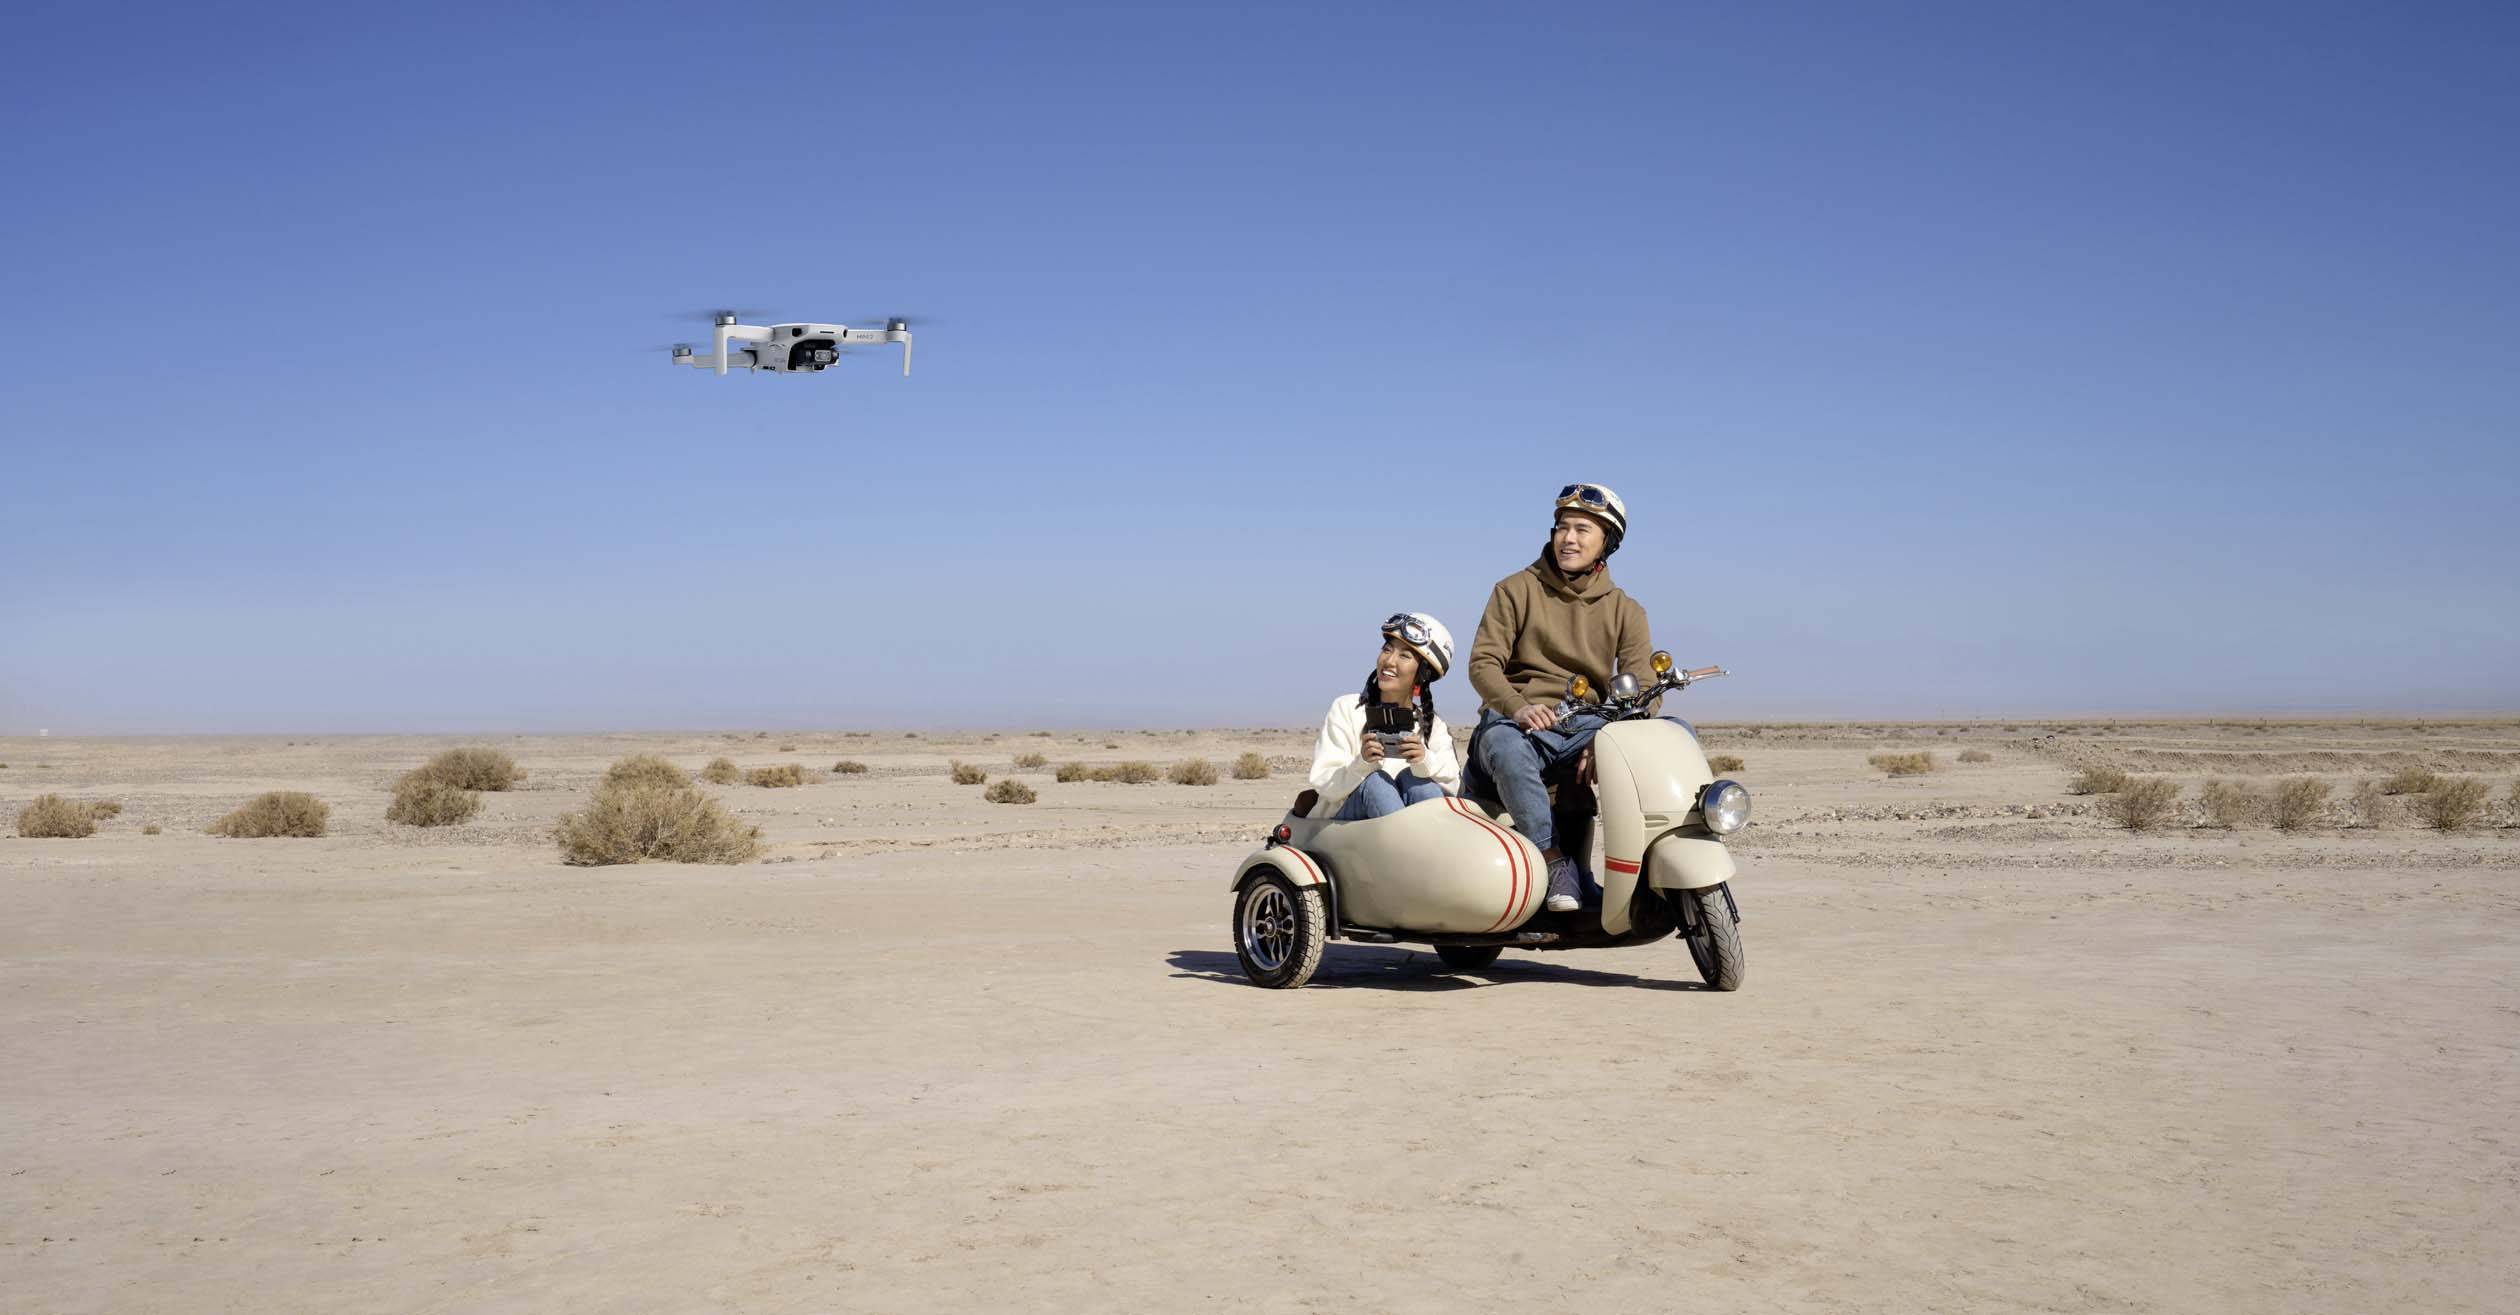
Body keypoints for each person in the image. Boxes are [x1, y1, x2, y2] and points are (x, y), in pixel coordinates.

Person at [1462, 483, 1656, 911]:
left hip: (1586, 722)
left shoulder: (1626, 610)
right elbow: (1483, 664)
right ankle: (1554, 862)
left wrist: (1610, 738)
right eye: (1562, 528)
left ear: (1608, 542)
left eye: (1583, 529)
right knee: (1505, 745)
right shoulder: (1514, 590)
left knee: (1660, 742)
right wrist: (1518, 705)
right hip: (1517, 722)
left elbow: (1643, 684)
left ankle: (1642, 872)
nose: (1569, 538)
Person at [1306, 612, 1463, 820]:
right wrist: (1362, 762)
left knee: (1419, 784)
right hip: (1343, 830)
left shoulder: (1434, 725)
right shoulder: (1346, 708)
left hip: (1396, 837)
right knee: (1376, 783)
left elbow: (1454, 788)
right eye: (1387, 650)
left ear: (1422, 673)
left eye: (1404, 656)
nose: (1389, 661)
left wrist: (1424, 759)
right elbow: (1324, 785)